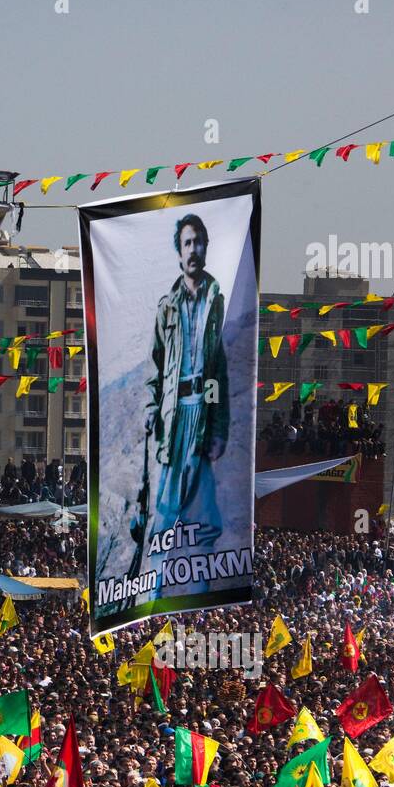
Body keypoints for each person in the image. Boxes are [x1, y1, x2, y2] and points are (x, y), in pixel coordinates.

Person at [141, 213, 229, 573]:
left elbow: (217, 370)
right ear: (179, 252)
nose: (193, 249)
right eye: (187, 243)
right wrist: (150, 407)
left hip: (202, 407)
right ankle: (155, 577)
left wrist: (218, 425)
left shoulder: (215, 301)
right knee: (167, 500)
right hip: (173, 411)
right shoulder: (168, 307)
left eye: (199, 242)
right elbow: (155, 365)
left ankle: (200, 578)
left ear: (206, 248)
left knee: (204, 503)